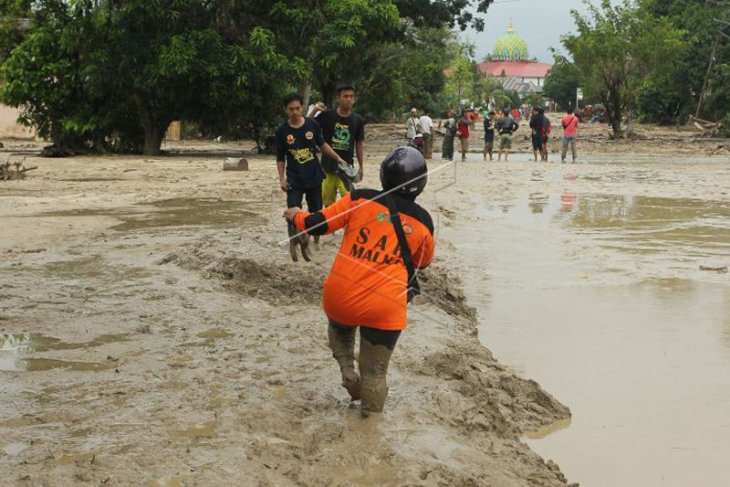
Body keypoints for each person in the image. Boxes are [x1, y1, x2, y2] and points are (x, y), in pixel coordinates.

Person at [283, 147, 435, 417]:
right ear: (421, 183)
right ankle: (369, 431)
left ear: (383, 176)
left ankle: (346, 370)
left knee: (339, 325)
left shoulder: (359, 198)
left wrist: (295, 214)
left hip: (341, 295)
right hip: (385, 306)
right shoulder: (425, 222)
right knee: (376, 374)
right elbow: (422, 263)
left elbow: (318, 224)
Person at [275, 93, 347, 218]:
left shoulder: (312, 124)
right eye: (291, 109)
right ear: (286, 110)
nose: (295, 112)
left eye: (297, 108)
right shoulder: (281, 131)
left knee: (316, 213)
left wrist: (338, 158)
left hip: (314, 176)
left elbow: (322, 144)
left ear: (302, 108)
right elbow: (280, 158)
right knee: (292, 214)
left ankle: (316, 238)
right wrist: (281, 179)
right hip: (294, 179)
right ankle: (296, 237)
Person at [314, 84, 365, 206]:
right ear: (338, 98)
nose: (349, 99)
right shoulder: (327, 116)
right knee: (328, 204)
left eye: (351, 96)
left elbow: (359, 144)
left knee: (350, 203)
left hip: (346, 169)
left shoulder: (358, 120)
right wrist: (315, 110)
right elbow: (307, 124)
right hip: (327, 169)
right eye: (345, 96)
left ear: (354, 99)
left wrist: (361, 166)